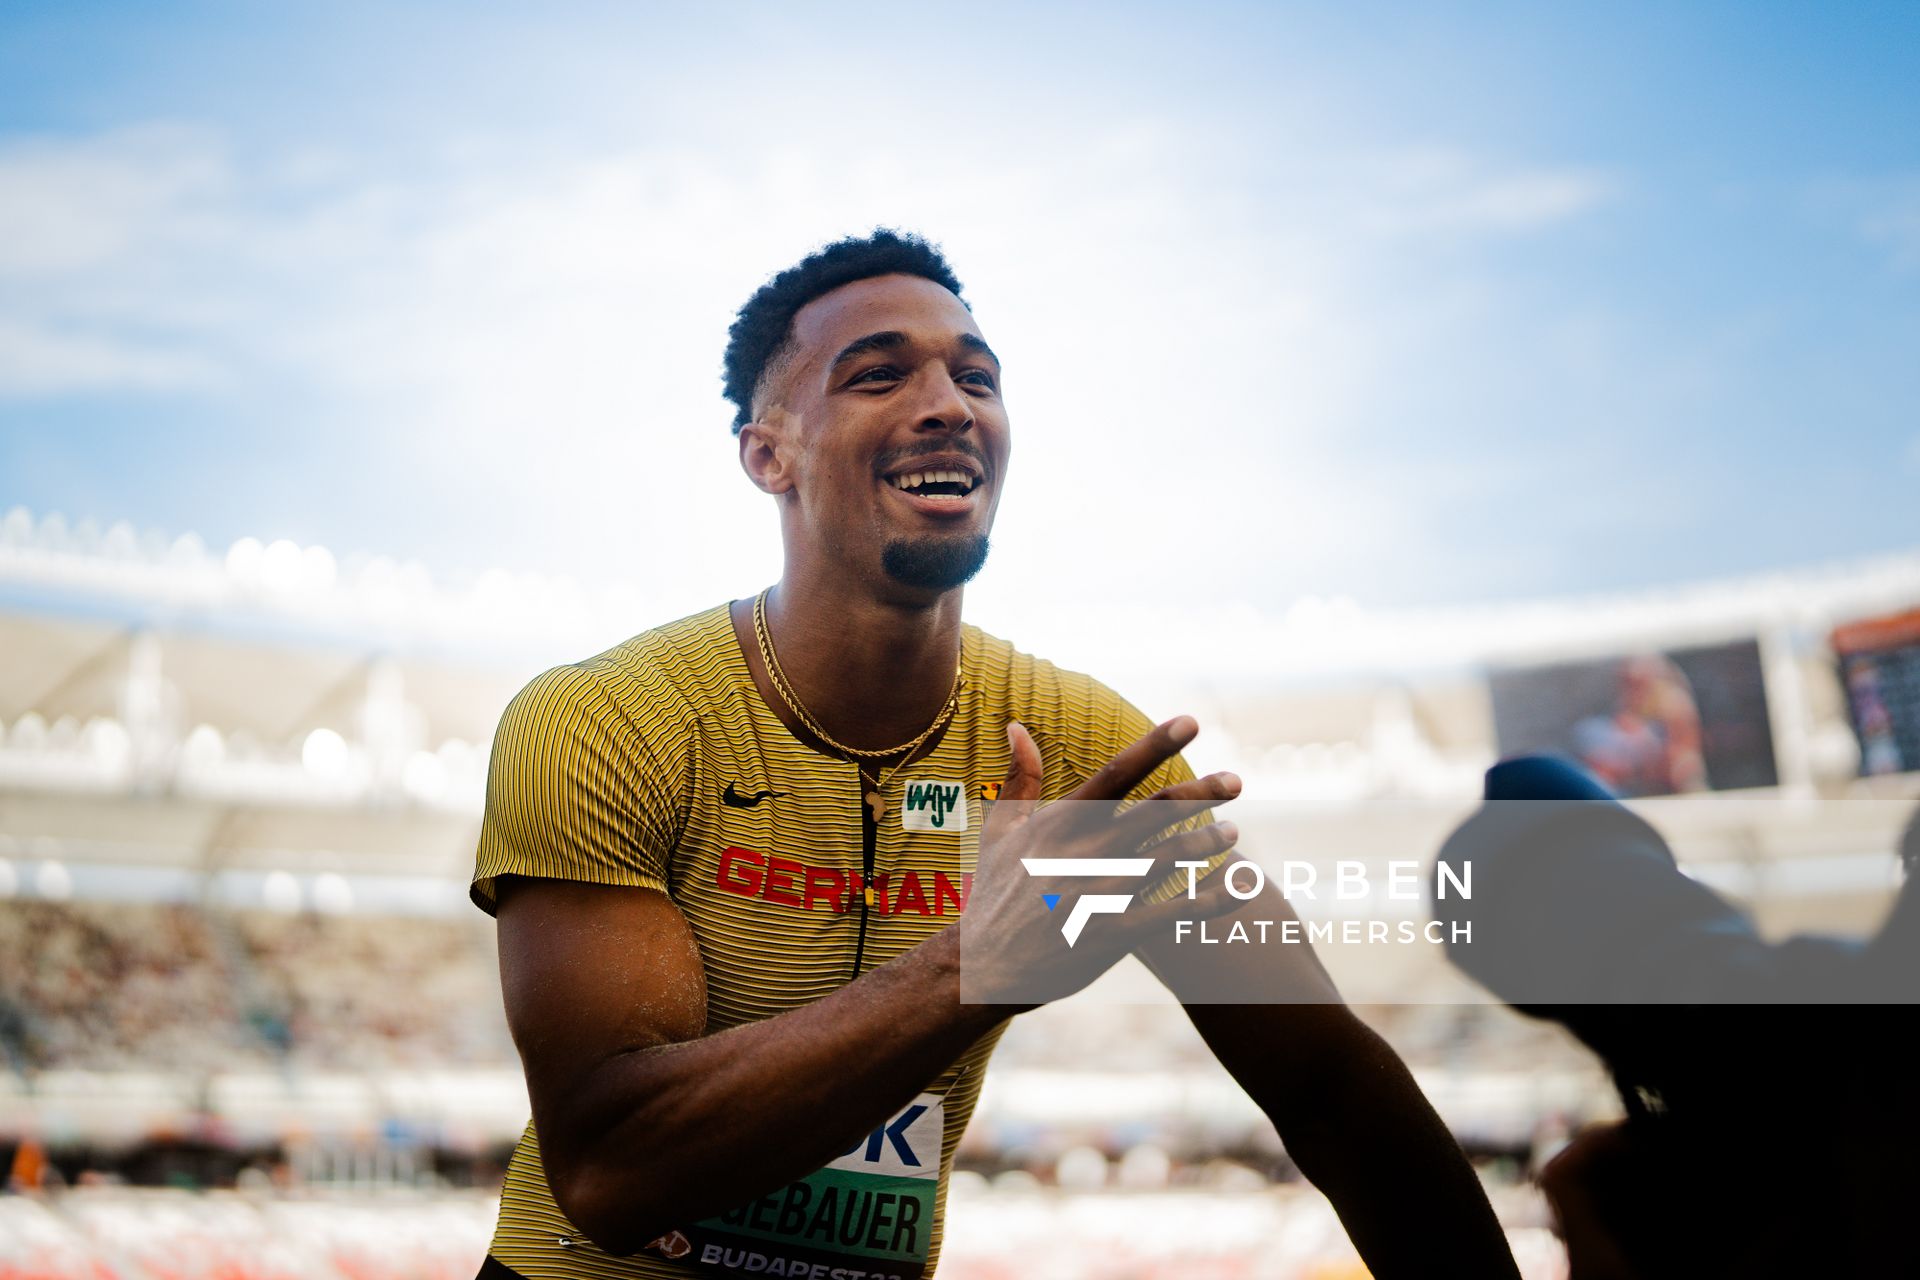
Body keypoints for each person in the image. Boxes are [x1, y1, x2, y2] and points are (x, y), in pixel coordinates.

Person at [470, 230, 1520, 1279]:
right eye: (880, 375)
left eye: (976, 378)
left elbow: (1332, 1090)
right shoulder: (605, 720)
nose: (950, 405)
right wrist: (971, 968)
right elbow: (612, 1170)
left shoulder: (1087, 750)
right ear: (768, 454)